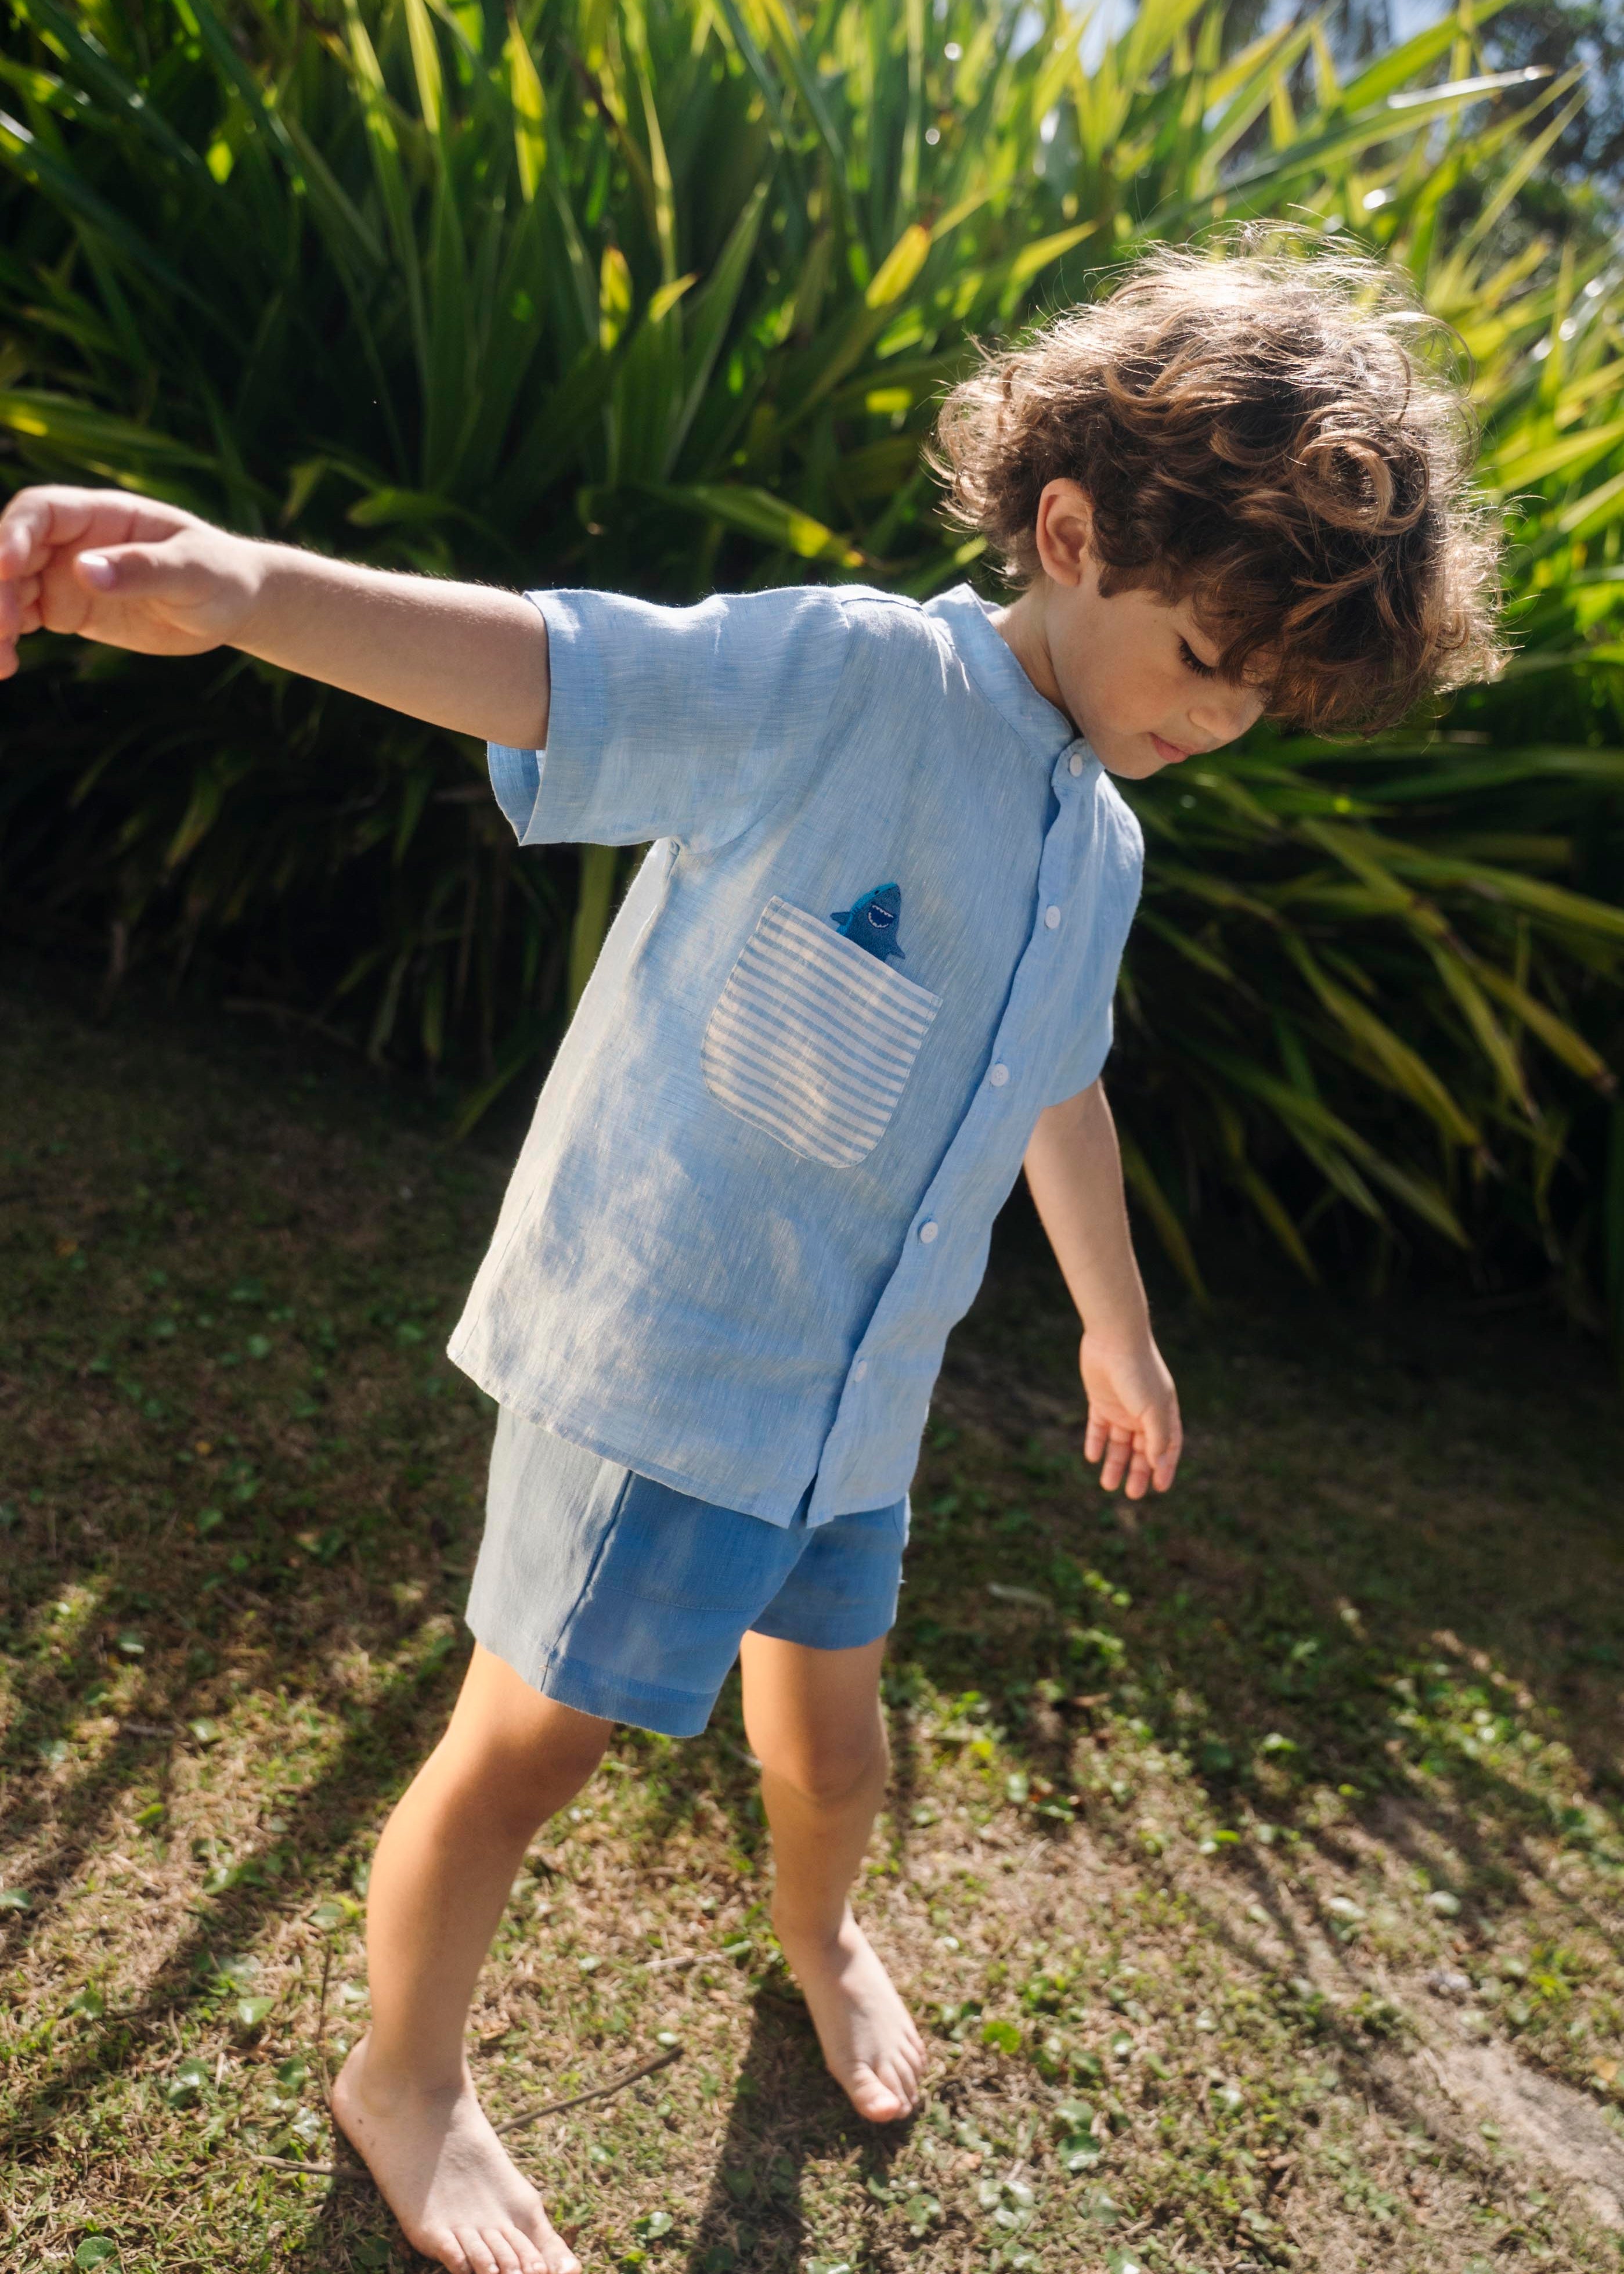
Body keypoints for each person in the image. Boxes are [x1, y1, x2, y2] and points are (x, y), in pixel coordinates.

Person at [0, 230, 1503, 2274]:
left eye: (1267, 702)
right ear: (1074, 535)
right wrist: (248, 589)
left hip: (849, 1419)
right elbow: (561, 666)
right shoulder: (857, 684)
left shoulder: (1107, 839)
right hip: (664, 1372)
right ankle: (402, 2078)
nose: (1223, 723)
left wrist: (1119, 1328)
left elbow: (1060, 1086)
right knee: (524, 1755)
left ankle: (820, 1929)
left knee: (837, 1750)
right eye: (1209, 665)